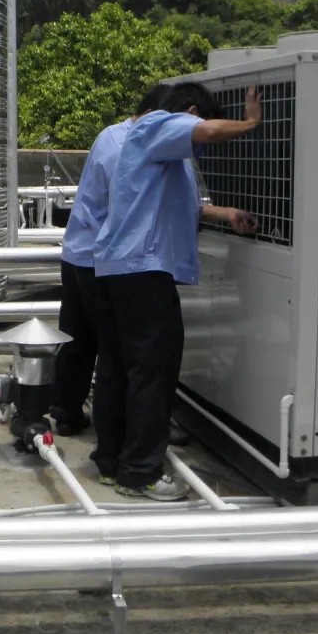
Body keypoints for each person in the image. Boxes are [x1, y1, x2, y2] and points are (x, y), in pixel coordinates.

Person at [90, 82, 262, 500]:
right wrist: (251, 122)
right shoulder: (159, 125)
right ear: (190, 113)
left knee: (119, 367)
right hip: (143, 272)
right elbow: (209, 131)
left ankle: (112, 462)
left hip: (121, 269)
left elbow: (180, 205)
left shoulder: (155, 147)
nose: (198, 141)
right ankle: (141, 473)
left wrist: (227, 213)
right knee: (153, 371)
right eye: (197, 124)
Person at [48, 88, 160, 434]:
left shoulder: (110, 135)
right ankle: (116, 426)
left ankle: (65, 412)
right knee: (113, 347)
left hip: (77, 252)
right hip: (101, 259)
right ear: (153, 113)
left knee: (76, 338)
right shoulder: (131, 144)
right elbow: (127, 206)